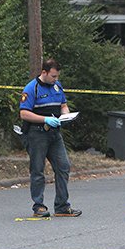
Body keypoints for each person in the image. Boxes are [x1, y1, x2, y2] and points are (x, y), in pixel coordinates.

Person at [19, 59, 81, 218]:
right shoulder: (32, 88)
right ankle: (38, 206)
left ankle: (61, 206)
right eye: (53, 76)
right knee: (38, 170)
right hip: (36, 134)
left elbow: (63, 105)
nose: (56, 79)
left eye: (57, 76)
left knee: (63, 166)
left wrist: (66, 115)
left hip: (54, 134)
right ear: (44, 73)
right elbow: (24, 113)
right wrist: (44, 119)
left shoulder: (57, 86)